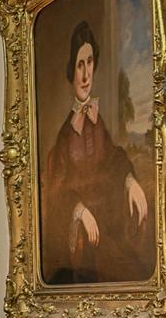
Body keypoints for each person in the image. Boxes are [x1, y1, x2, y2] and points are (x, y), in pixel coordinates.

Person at [40, 20, 155, 285]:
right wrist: (79, 211)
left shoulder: (96, 122)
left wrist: (129, 181)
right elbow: (56, 190)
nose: (85, 75)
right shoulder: (66, 134)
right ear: (72, 69)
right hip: (86, 242)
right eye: (80, 64)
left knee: (134, 266)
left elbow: (112, 158)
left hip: (110, 227)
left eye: (90, 62)